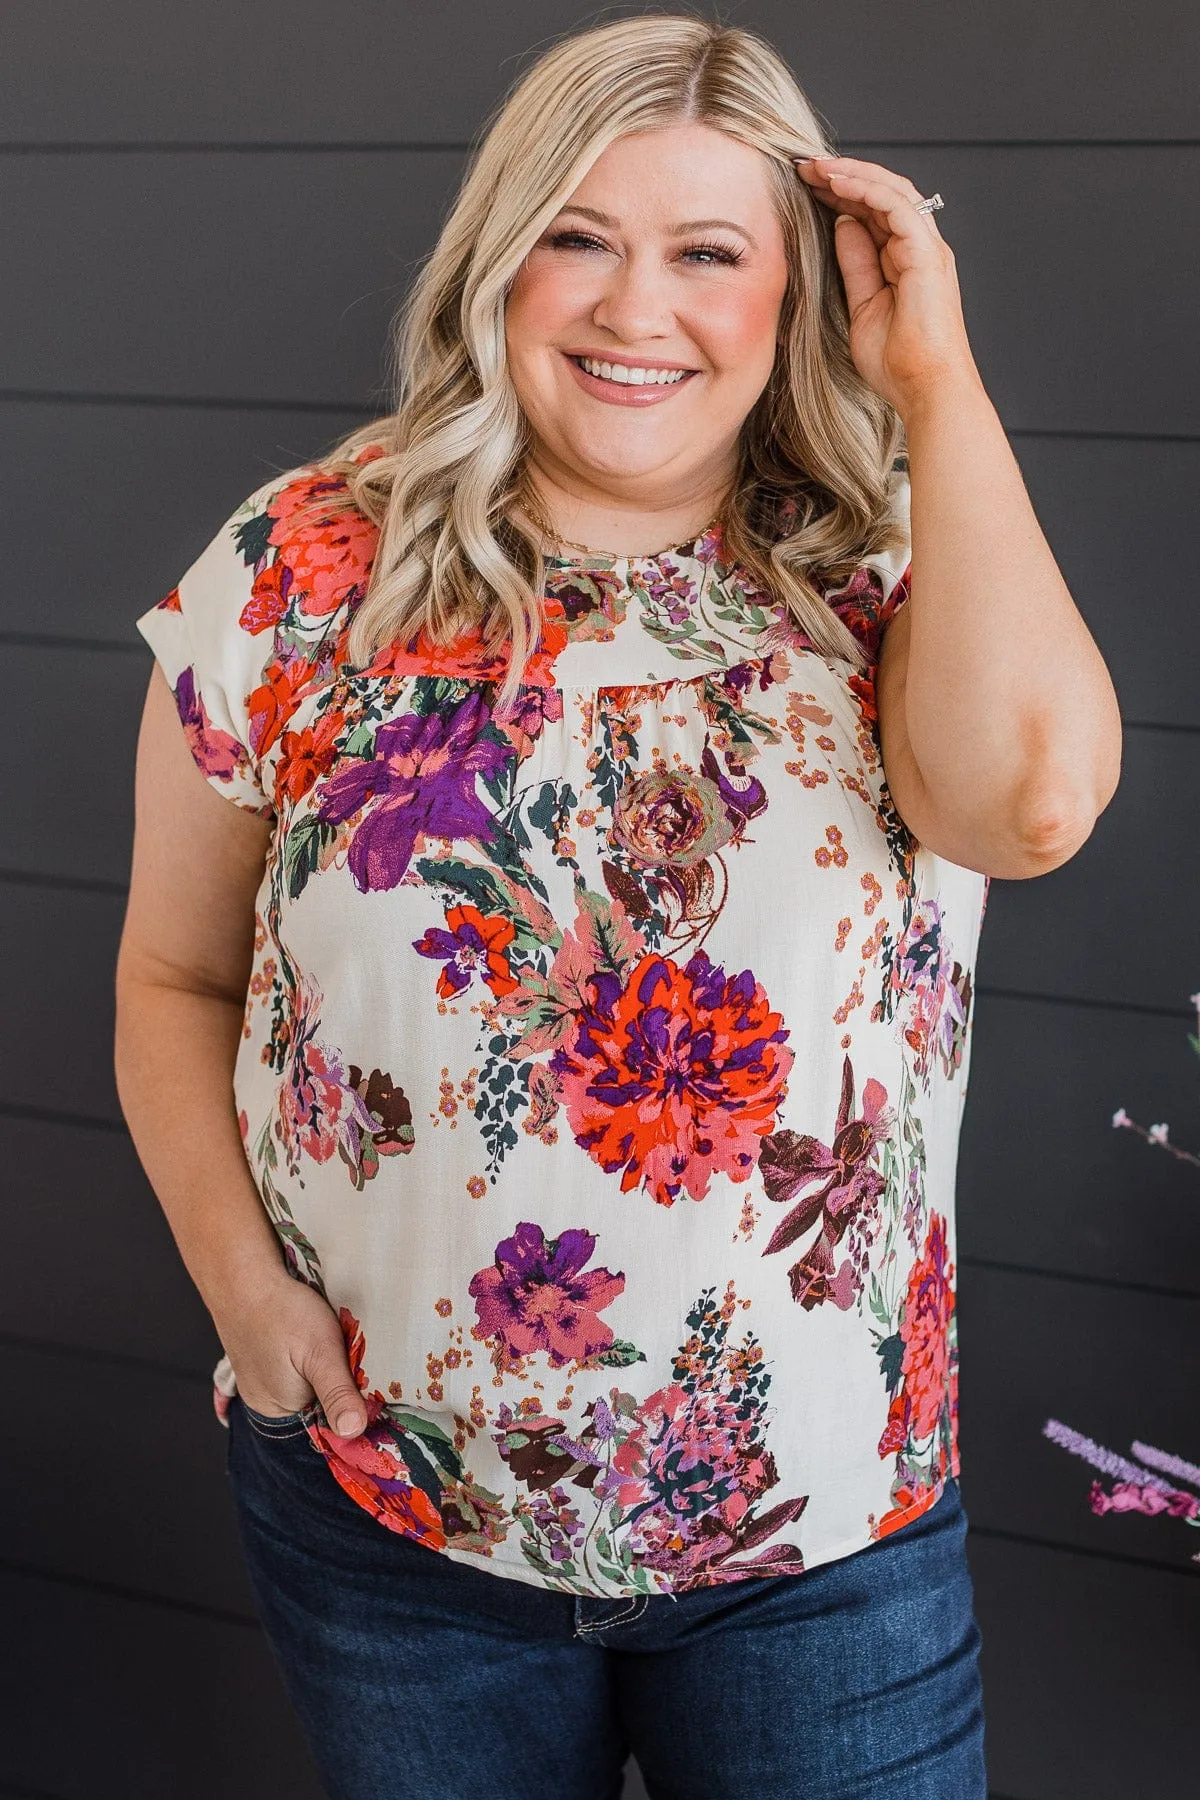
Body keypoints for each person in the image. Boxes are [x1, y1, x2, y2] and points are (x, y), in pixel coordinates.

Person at [114, 14, 1121, 1800]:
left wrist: (936, 385)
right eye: (578, 234)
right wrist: (245, 1300)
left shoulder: (894, 563)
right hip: (394, 1518)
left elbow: (1029, 806)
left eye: (707, 252)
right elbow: (174, 972)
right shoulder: (302, 564)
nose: (630, 308)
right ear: (501, 257)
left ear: (794, 292)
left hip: (825, 1551)